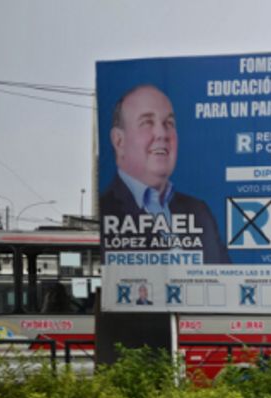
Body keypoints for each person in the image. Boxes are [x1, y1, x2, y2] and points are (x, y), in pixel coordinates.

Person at [99, 84, 231, 265]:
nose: (162, 134)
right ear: (119, 141)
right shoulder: (107, 209)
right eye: (147, 122)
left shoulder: (200, 212)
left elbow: (225, 278)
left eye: (169, 123)